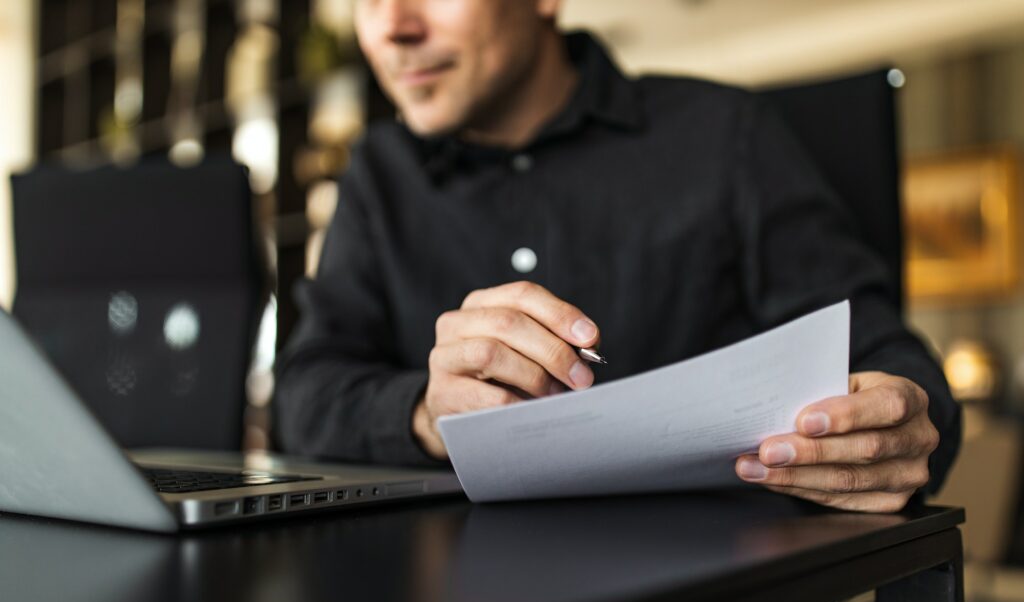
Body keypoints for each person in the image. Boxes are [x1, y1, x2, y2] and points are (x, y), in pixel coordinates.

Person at [273, 0, 960, 514]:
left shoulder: (724, 137)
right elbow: (303, 397)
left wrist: (897, 425)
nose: (393, 25)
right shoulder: (377, 175)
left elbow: (891, 363)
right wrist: (425, 412)